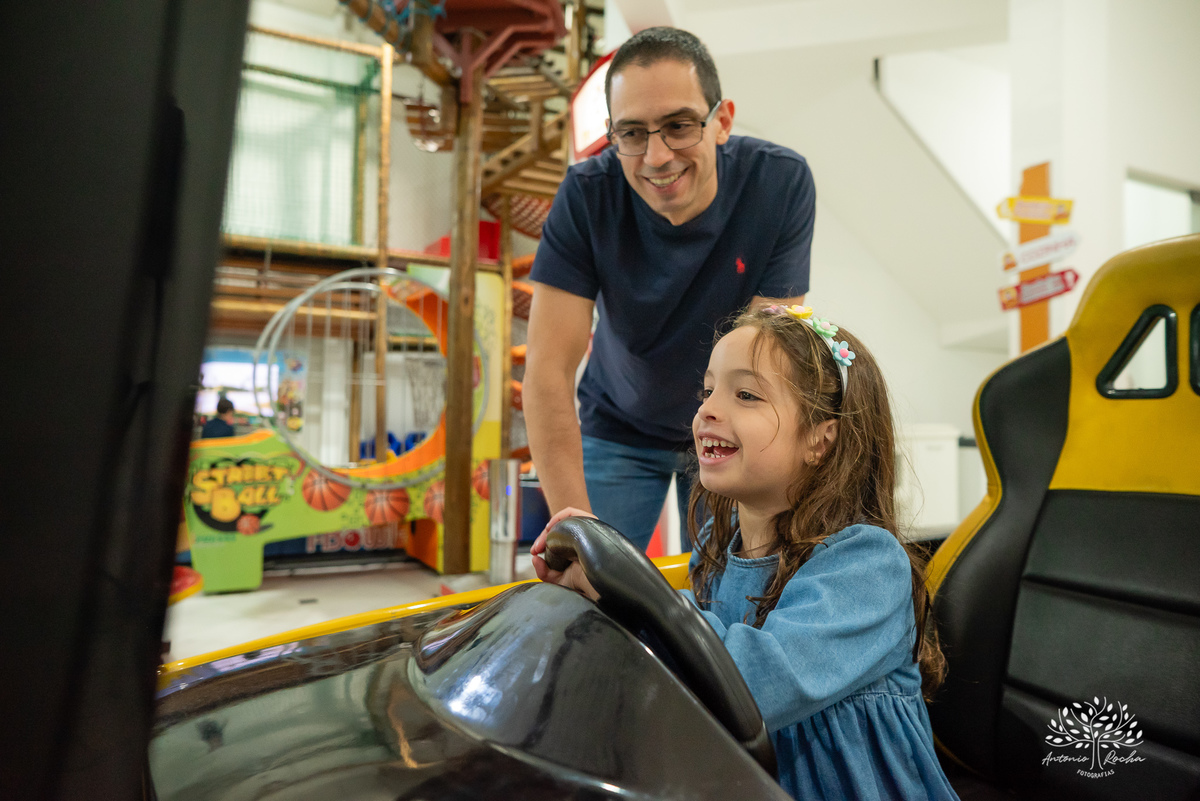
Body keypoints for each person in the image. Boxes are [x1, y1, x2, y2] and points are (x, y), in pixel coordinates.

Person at [531, 304, 959, 800]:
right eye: (708, 390)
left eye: (746, 394)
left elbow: (751, 684)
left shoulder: (867, 562)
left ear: (822, 439)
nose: (708, 408)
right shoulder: (717, 545)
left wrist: (628, 592)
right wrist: (598, 597)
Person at [525, 26, 815, 552]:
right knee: (593, 597)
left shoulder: (780, 184)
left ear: (721, 121)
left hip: (726, 424)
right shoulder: (587, 196)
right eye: (632, 133)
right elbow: (547, 370)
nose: (657, 157)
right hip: (617, 421)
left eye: (679, 126)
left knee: (729, 596)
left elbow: (765, 356)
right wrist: (577, 536)